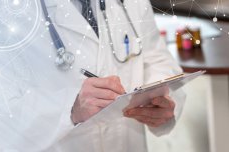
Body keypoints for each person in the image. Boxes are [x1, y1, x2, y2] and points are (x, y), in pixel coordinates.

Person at [15, 0, 186, 151]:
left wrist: (159, 99)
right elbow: (0, 105)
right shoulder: (11, 10)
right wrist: (70, 108)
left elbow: (156, 58)